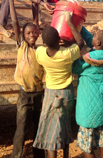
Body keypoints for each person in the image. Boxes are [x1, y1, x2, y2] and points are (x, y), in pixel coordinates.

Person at [33, 16, 84, 158]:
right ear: (59, 40)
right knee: (64, 123)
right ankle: (66, 153)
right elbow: (80, 42)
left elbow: (44, 47)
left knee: (50, 130)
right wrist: (68, 22)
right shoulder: (67, 54)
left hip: (50, 93)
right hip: (66, 93)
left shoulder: (40, 53)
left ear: (43, 42)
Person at [4, 0, 45, 158]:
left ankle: (39, 155)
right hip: (24, 95)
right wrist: (11, 0)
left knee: (38, 126)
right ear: (24, 35)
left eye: (35, 33)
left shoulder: (42, 50)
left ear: (38, 34)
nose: (32, 36)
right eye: (28, 33)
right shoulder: (22, 46)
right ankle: (17, 155)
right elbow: (14, 22)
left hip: (39, 94)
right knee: (21, 128)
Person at [72, 28, 103, 158]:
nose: (93, 36)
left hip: (88, 110)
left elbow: (74, 67)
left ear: (98, 44)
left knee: (88, 146)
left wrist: (74, 49)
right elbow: (91, 40)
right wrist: (80, 27)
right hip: (102, 106)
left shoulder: (89, 62)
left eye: (95, 35)